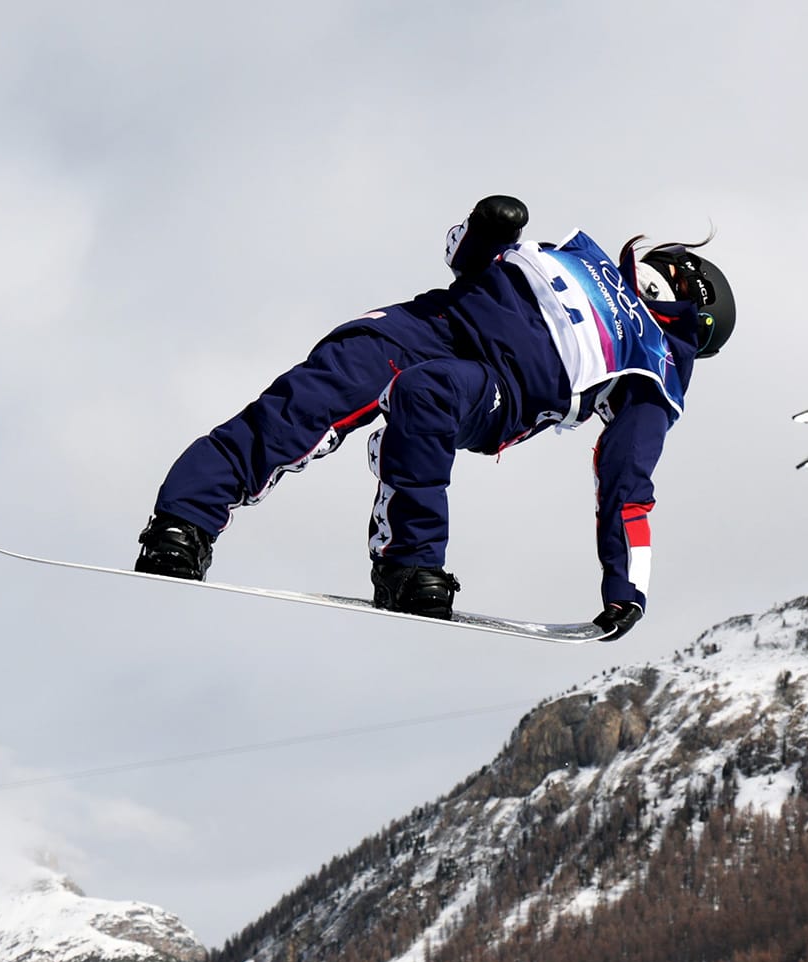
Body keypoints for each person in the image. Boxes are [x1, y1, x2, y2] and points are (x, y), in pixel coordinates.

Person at [137, 197, 734, 637]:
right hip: (433, 323)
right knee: (312, 396)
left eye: (679, 273)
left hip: (496, 387)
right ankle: (182, 525)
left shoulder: (657, 361)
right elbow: (466, 260)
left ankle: (409, 568)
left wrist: (625, 587)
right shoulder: (579, 258)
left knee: (428, 394)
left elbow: (628, 479)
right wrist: (486, 229)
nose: (663, 268)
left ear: (694, 309)